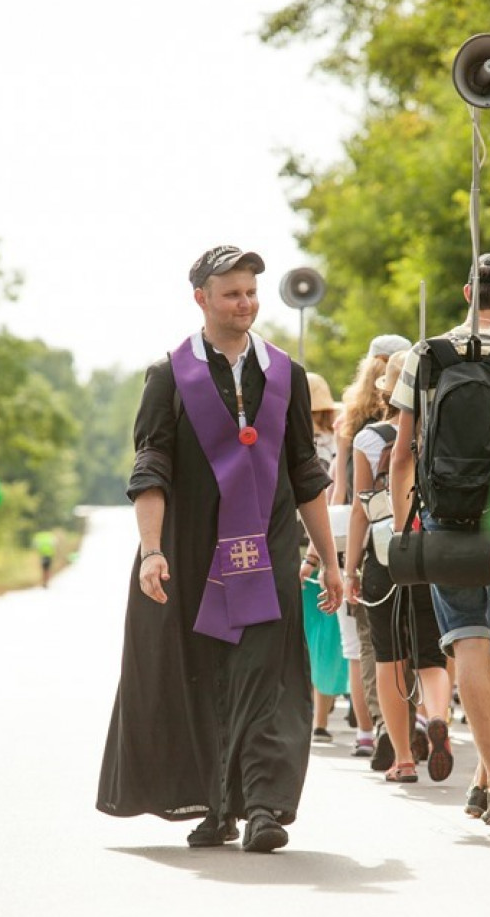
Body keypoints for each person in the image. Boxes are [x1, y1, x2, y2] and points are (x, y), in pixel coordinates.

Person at [96, 245, 342, 854]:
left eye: (252, 292)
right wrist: (152, 551)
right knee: (203, 678)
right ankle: (214, 803)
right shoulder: (168, 376)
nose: (246, 304)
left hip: (269, 550)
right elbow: (150, 465)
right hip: (192, 552)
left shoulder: (284, 373)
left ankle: (263, 807)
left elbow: (304, 473)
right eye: (232, 293)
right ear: (201, 298)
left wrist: (331, 562)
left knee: (267, 677)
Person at [390, 254, 490, 825]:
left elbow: (401, 456)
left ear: (468, 290)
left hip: (445, 517)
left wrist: (403, 529)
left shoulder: (427, 355)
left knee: (466, 639)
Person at [344, 351, 452, 783]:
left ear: (386, 390)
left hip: (385, 554)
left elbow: (358, 509)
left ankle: (403, 758)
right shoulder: (439, 433)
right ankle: (437, 716)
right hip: (430, 549)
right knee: (431, 653)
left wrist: (349, 569)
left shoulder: (369, 439)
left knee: (389, 656)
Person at [300, 372, 349, 743]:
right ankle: (321, 716)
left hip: (298, 547)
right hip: (329, 542)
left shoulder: (296, 443)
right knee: (328, 636)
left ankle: (304, 710)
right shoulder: (336, 443)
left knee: (303, 633)